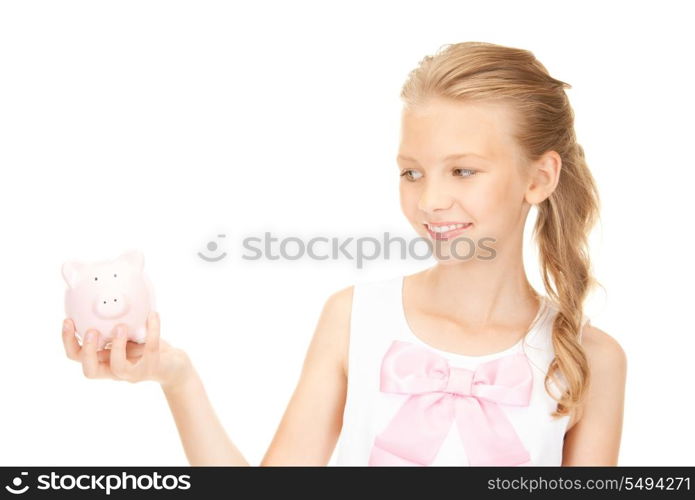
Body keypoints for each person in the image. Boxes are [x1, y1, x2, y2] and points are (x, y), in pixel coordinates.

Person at [61, 41, 626, 466]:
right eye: (411, 172)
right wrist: (176, 377)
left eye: (463, 170)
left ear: (540, 177)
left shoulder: (593, 361)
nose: (429, 199)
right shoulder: (355, 317)